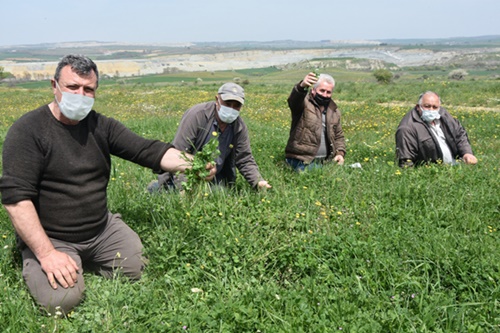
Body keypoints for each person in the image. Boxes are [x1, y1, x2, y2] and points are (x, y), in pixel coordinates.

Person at [0, 54, 215, 315]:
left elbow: (147, 150)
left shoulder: (100, 126)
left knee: (137, 268)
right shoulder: (28, 131)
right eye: (72, 87)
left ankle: (90, 254)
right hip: (54, 236)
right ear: (54, 86)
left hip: (100, 229)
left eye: (88, 89)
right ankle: (36, 255)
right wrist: (46, 254)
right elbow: (16, 200)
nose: (80, 95)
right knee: (61, 301)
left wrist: (193, 164)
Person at [148, 82, 271, 192]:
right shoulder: (197, 115)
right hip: (185, 174)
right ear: (217, 99)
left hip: (214, 177)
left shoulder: (238, 126)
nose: (231, 109)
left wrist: (258, 181)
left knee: (219, 193)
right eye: (227, 104)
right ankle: (157, 188)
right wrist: (183, 188)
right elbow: (179, 153)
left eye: (236, 106)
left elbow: (244, 158)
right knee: (170, 195)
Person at [395, 91, 478, 167]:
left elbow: (459, 134)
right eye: (427, 106)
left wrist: (467, 153)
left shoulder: (443, 115)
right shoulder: (407, 128)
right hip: (432, 172)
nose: (431, 110)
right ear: (418, 107)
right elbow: (406, 161)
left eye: (435, 107)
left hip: (456, 167)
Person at [284, 72, 346, 172]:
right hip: (301, 159)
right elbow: (294, 100)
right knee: (318, 174)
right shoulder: (303, 104)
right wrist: (301, 86)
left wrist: (340, 153)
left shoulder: (334, 110)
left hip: (325, 161)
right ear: (313, 90)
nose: (325, 95)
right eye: (322, 91)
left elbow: (338, 136)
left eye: (328, 92)